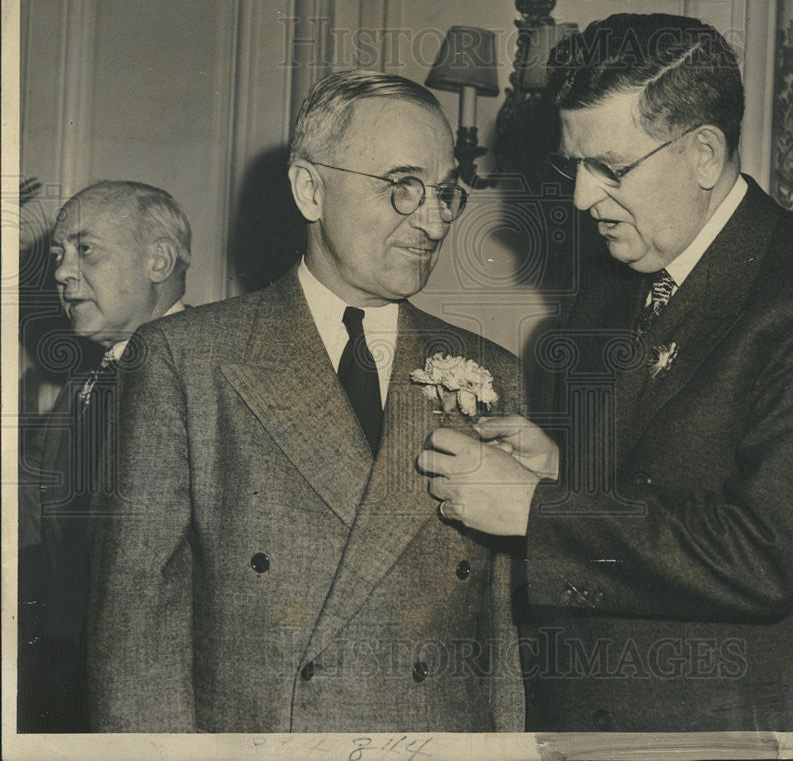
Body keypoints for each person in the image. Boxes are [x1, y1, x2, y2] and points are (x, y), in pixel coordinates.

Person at [417, 13, 793, 732]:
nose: (582, 199)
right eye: (573, 166)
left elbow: (763, 552)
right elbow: (643, 489)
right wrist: (559, 474)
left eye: (610, 169)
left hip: (747, 730)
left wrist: (535, 508)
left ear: (704, 153)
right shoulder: (606, 288)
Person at [87, 70, 524, 733]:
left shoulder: (492, 374)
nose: (434, 219)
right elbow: (136, 634)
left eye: (445, 192)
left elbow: (503, 648)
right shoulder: (187, 359)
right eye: (403, 185)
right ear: (310, 189)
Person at [19, 181, 192, 732]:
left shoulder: (212, 374)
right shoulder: (85, 379)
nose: (63, 274)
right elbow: (33, 508)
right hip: (70, 679)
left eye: (85, 250)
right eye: (58, 256)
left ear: (158, 260)